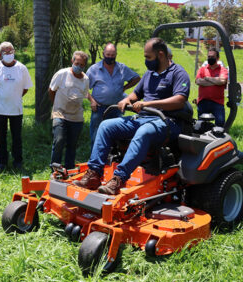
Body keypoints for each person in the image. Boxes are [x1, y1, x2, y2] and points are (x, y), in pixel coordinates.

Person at [74, 38, 190, 195]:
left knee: (144, 132)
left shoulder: (178, 73)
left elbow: (179, 100)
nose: (146, 61)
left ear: (160, 55)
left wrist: (147, 105)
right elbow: (136, 93)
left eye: (148, 57)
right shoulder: (149, 74)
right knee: (106, 126)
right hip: (143, 119)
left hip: (167, 121)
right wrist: (127, 100)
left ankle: (118, 179)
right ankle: (94, 173)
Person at [0, 41, 33, 172]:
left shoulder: (22, 68)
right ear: (0, 54)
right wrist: (3, 97)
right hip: (0, 109)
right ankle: (2, 162)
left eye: (11, 51)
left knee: (17, 136)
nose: (9, 54)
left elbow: (25, 88)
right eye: (5, 52)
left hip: (16, 109)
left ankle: (18, 161)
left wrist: (15, 97)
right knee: (1, 136)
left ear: (14, 52)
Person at [86, 43, 140, 148]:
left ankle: (112, 158)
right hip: (99, 108)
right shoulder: (94, 69)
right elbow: (83, 88)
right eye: (108, 54)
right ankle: (95, 159)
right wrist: (92, 101)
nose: (110, 57)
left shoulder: (121, 68)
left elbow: (136, 78)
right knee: (96, 134)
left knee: (115, 135)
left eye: (112, 55)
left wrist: (124, 88)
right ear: (103, 54)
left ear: (116, 55)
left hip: (116, 107)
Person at [48, 51, 90, 170]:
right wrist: (55, 105)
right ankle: (55, 169)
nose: (79, 67)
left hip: (76, 117)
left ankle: (69, 169)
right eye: (77, 63)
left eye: (82, 65)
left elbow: (85, 94)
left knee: (72, 144)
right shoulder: (62, 74)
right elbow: (51, 90)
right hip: (60, 113)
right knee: (59, 140)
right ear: (72, 61)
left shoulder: (85, 79)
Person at [195, 48, 228, 127]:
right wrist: (216, 82)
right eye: (209, 56)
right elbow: (198, 81)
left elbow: (222, 81)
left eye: (212, 57)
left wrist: (208, 78)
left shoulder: (222, 70)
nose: (210, 58)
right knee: (201, 125)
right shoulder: (202, 69)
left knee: (220, 123)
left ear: (217, 58)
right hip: (203, 101)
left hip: (217, 102)